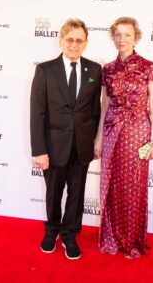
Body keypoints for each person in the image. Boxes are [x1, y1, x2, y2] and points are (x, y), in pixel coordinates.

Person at [30, 18, 102, 260]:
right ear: (61, 41)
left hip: (81, 146)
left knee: (77, 192)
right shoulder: (45, 69)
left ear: (85, 43)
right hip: (52, 146)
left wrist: (92, 140)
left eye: (79, 40)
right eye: (70, 39)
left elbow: (94, 110)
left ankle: (70, 234)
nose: (74, 44)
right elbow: (37, 112)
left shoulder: (94, 70)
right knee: (53, 192)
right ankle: (52, 230)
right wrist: (39, 150)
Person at [94, 17, 153, 259]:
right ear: (113, 37)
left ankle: (131, 241)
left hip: (137, 133)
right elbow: (105, 105)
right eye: (118, 35)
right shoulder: (108, 69)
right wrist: (100, 138)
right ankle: (112, 238)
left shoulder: (148, 66)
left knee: (133, 185)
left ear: (136, 37)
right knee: (111, 185)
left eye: (127, 35)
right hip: (112, 131)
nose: (122, 40)